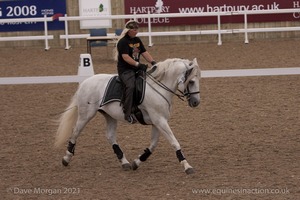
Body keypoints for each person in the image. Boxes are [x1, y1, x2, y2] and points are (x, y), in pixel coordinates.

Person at [114, 20, 156, 124]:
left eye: (137, 29)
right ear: (129, 30)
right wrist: (138, 64)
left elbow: (144, 52)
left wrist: (153, 62)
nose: (136, 31)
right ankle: (127, 112)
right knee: (131, 86)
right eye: (134, 29)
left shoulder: (137, 40)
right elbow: (125, 57)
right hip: (125, 70)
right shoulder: (123, 42)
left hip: (136, 68)